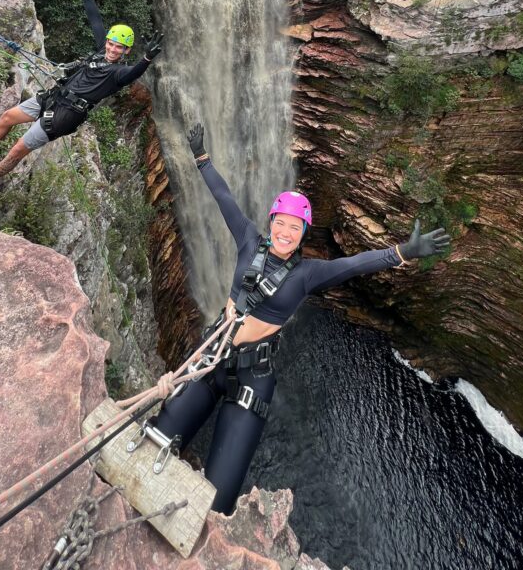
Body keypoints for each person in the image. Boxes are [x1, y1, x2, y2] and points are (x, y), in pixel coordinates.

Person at [151, 123, 450, 515]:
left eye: (296, 227)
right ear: (271, 223)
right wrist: (202, 157)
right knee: (154, 437)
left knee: (218, 501)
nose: (286, 232)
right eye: (281, 223)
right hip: (212, 356)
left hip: (252, 378)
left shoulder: (307, 274)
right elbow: (223, 198)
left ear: (303, 233)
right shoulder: (247, 239)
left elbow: (353, 265)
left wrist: (401, 252)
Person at [0, 0, 163, 193]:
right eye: (110, 44)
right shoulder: (102, 51)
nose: (112, 49)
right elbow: (96, 22)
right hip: (54, 98)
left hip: (66, 116)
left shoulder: (119, 73)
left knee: (17, 150)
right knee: (6, 117)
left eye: (119, 47)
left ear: (126, 50)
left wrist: (146, 59)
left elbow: (133, 73)